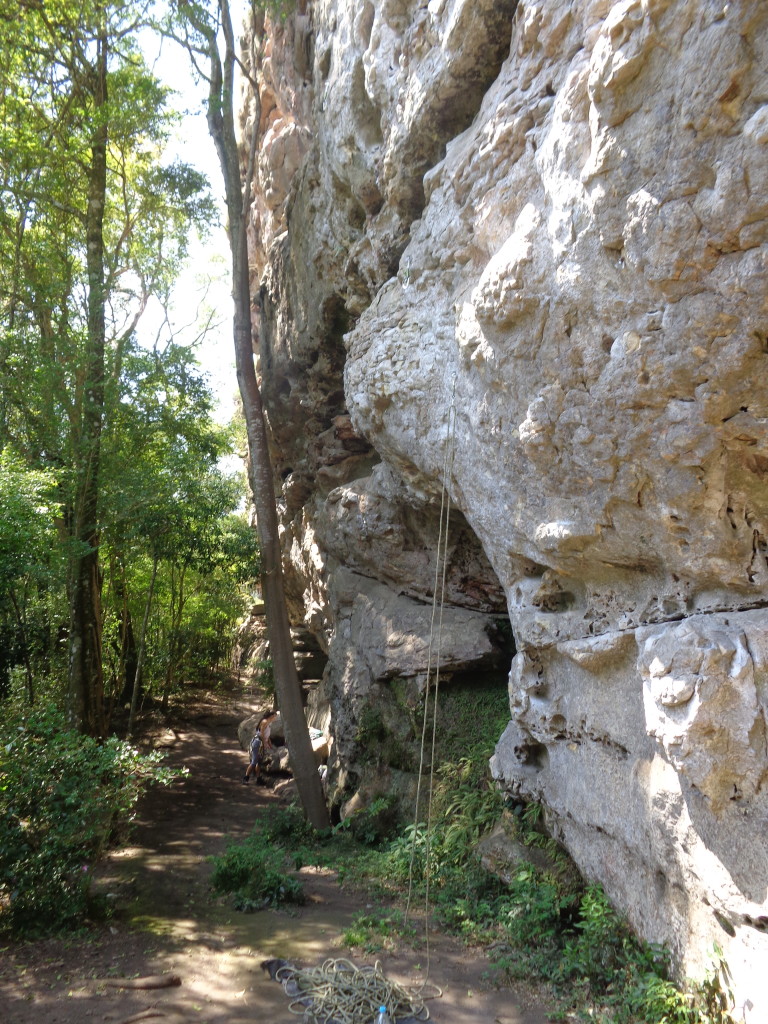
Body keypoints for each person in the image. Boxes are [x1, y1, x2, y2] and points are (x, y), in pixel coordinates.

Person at [242, 710, 278, 785]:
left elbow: (267, 736)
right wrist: (264, 743)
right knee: (254, 761)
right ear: (271, 716)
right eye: (275, 716)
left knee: (259, 762)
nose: (275, 718)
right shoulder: (264, 721)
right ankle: (246, 778)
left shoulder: (268, 723)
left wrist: (270, 744)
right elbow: (261, 734)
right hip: (257, 743)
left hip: (261, 744)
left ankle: (258, 779)